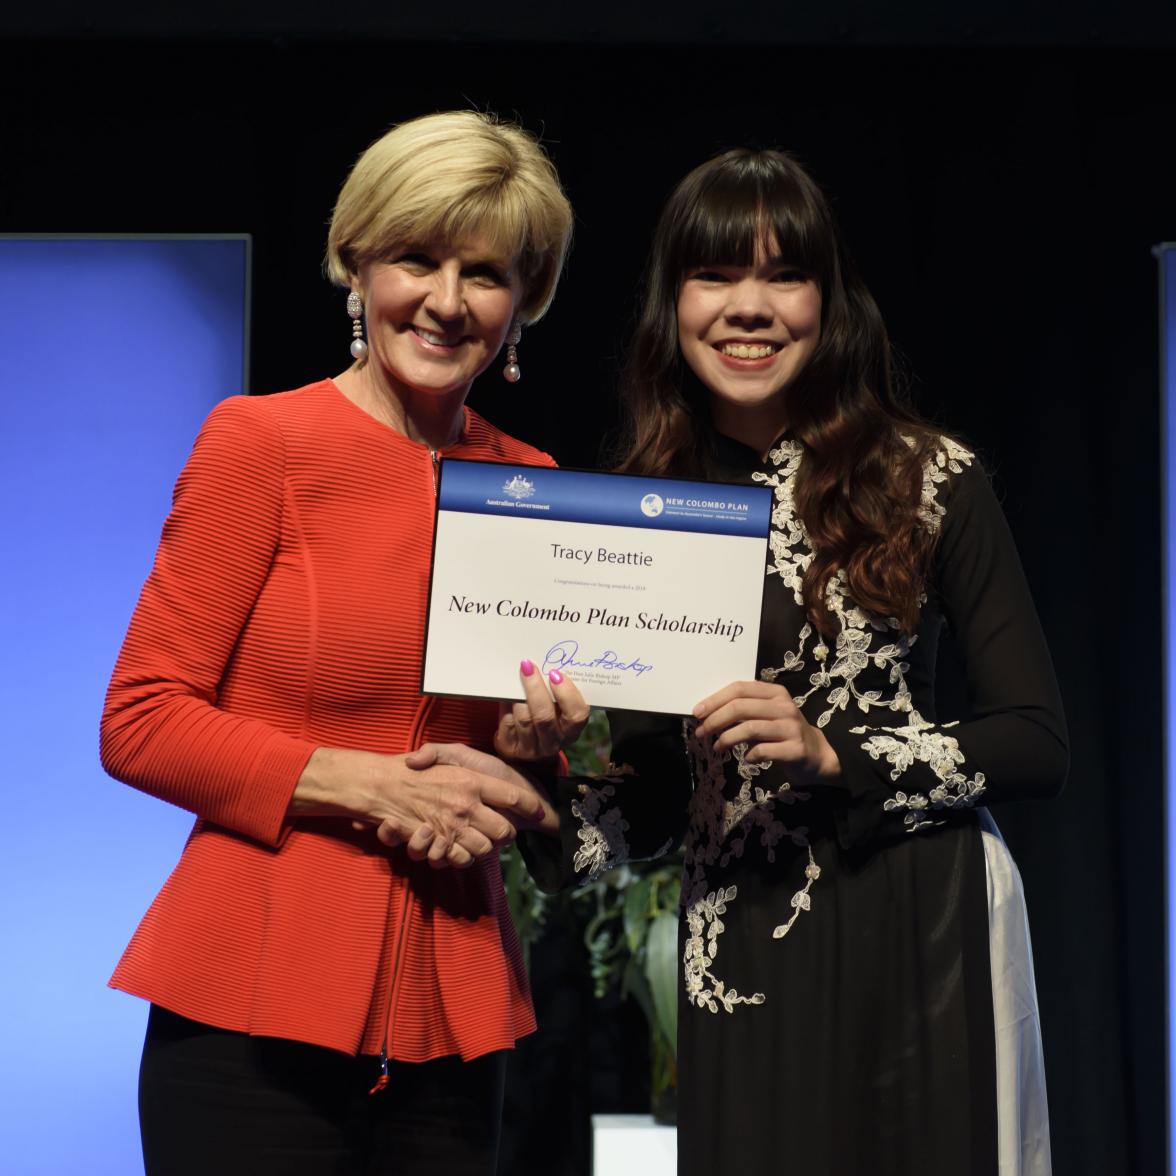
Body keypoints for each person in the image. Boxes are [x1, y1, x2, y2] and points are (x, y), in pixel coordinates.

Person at [500, 148, 1067, 1175]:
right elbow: (658, 804)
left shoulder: (930, 476)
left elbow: (1036, 742)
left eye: (784, 275)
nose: (749, 307)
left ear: (827, 300)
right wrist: (543, 779)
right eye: (715, 276)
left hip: (920, 921)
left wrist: (833, 752)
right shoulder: (646, 509)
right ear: (673, 304)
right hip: (743, 933)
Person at [99, 109, 583, 1176]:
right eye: (418, 258)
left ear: (525, 301)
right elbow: (140, 723)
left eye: (487, 273)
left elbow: (506, 773)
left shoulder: (535, 486)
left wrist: (531, 748)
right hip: (250, 1002)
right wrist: (367, 786)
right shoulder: (260, 442)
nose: (448, 302)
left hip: (450, 1003)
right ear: (357, 262)